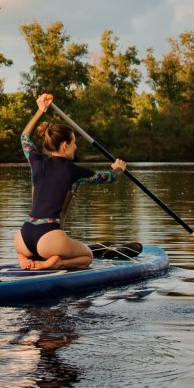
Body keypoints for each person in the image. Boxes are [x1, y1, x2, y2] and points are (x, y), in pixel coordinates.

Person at [14, 93, 127, 270]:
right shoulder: (74, 171)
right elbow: (107, 178)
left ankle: (24, 257)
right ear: (65, 145)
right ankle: (55, 263)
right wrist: (119, 169)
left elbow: (24, 137)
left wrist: (40, 111)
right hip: (49, 238)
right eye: (74, 142)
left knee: (32, 248)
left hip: (23, 237)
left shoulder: (36, 162)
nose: (76, 146)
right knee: (87, 256)